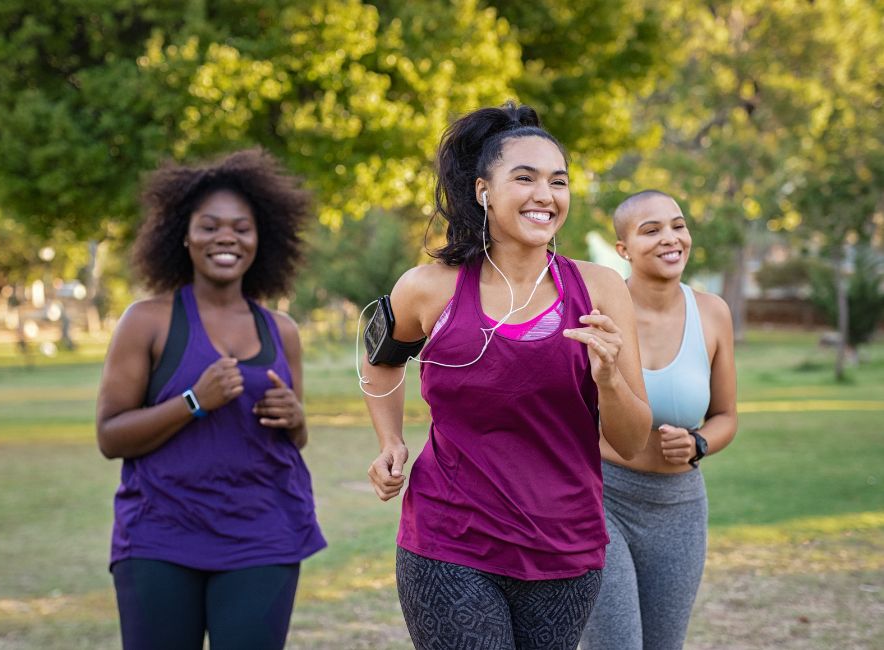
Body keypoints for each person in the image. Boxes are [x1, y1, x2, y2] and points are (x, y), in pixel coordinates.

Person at [361, 102, 653, 649]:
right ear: (482, 191)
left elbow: (632, 442)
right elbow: (380, 361)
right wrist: (389, 441)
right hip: (449, 540)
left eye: (558, 181)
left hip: (565, 546)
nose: (546, 195)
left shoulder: (602, 291)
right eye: (525, 178)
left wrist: (610, 379)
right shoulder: (429, 288)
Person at [95, 148, 325, 650]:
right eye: (210, 226)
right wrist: (194, 401)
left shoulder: (281, 331)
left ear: (260, 239)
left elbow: (296, 438)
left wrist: (297, 418)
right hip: (161, 534)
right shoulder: (147, 321)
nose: (226, 237)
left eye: (242, 228)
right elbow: (110, 437)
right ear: (183, 234)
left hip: (263, 533)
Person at [580, 190, 738, 650]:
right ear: (623, 250)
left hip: (681, 508)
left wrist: (699, 445)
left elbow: (726, 416)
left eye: (678, 225)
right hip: (603, 500)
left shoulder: (713, 313)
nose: (671, 239)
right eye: (651, 230)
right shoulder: (596, 314)